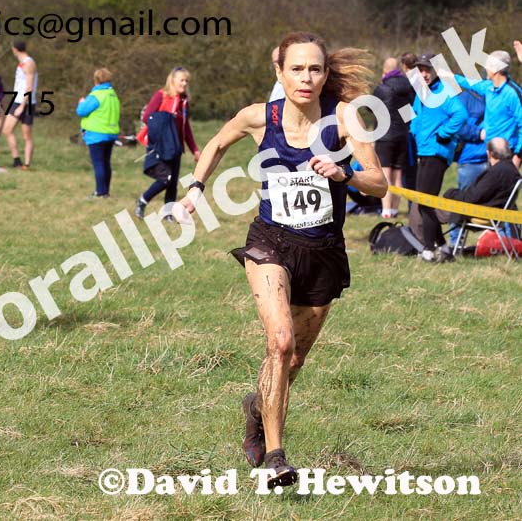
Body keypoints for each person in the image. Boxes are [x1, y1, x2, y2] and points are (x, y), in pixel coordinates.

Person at [177, 32, 387, 487]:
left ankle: (256, 406)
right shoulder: (260, 117)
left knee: (291, 365)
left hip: (324, 252)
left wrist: (345, 171)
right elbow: (214, 145)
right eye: (297, 69)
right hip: (271, 242)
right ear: (280, 73)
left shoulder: (345, 118)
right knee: (281, 342)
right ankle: (277, 457)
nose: (306, 78)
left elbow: (379, 183)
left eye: (315, 69)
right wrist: (195, 188)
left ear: (326, 74)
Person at [409, 52, 467, 262]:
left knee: (426, 201)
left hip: (437, 152)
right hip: (423, 151)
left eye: (427, 69)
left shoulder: (445, 91)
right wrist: (414, 130)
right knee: (423, 201)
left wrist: (443, 133)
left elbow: (461, 114)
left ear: (436, 70)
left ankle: (428, 248)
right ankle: (443, 247)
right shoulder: (421, 92)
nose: (423, 73)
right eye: (420, 69)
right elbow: (415, 114)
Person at [135, 67, 200, 221]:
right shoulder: (161, 96)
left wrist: (195, 150)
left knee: (173, 183)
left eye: (186, 81)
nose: (184, 84)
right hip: (160, 146)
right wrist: (164, 121)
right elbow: (147, 118)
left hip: (176, 147)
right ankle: (143, 200)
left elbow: (186, 128)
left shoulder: (184, 102)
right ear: (173, 80)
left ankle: (168, 213)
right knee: (166, 178)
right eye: (181, 80)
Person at [448, 50, 522, 171]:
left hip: (507, 154)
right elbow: (470, 83)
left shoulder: (513, 93)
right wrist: (451, 76)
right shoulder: (489, 87)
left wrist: (518, 157)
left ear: (495, 69)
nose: (486, 68)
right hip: (490, 153)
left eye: (488, 65)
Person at [439, 137, 521, 240]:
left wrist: (450, 193)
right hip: (495, 212)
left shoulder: (495, 173)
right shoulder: (512, 170)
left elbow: (471, 198)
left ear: (489, 153)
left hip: (481, 214)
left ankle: (431, 247)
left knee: (429, 213)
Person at [373, 57, 413, 218]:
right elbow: (409, 114)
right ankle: (396, 209)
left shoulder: (381, 89)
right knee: (397, 175)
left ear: (384, 71)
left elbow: (371, 109)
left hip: (385, 137)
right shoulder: (408, 88)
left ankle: (386, 210)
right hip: (402, 136)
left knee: (386, 175)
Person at [447, 87, 487, 245]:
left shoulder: (500, 95)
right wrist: (478, 133)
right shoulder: (463, 97)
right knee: (463, 203)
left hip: (496, 160)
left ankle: (504, 243)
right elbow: (458, 125)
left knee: (501, 204)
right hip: (471, 161)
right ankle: (456, 243)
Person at [76, 67, 121, 198]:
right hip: (111, 133)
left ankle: (100, 192)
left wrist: (81, 103)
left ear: (96, 80)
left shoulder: (96, 96)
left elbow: (81, 111)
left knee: (98, 164)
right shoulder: (113, 95)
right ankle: (105, 191)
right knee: (106, 163)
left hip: (96, 134)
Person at [2, 40, 38, 170]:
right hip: (17, 100)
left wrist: (23, 106)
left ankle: (26, 164)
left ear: (15, 49)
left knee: (26, 135)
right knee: (7, 129)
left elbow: (29, 86)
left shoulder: (29, 63)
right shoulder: (22, 63)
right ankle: (17, 160)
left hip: (26, 103)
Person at [400, 52, 419, 191]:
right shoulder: (424, 79)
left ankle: (412, 202)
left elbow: (405, 106)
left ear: (404, 65)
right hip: (422, 127)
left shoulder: (405, 82)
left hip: (409, 129)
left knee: (409, 168)